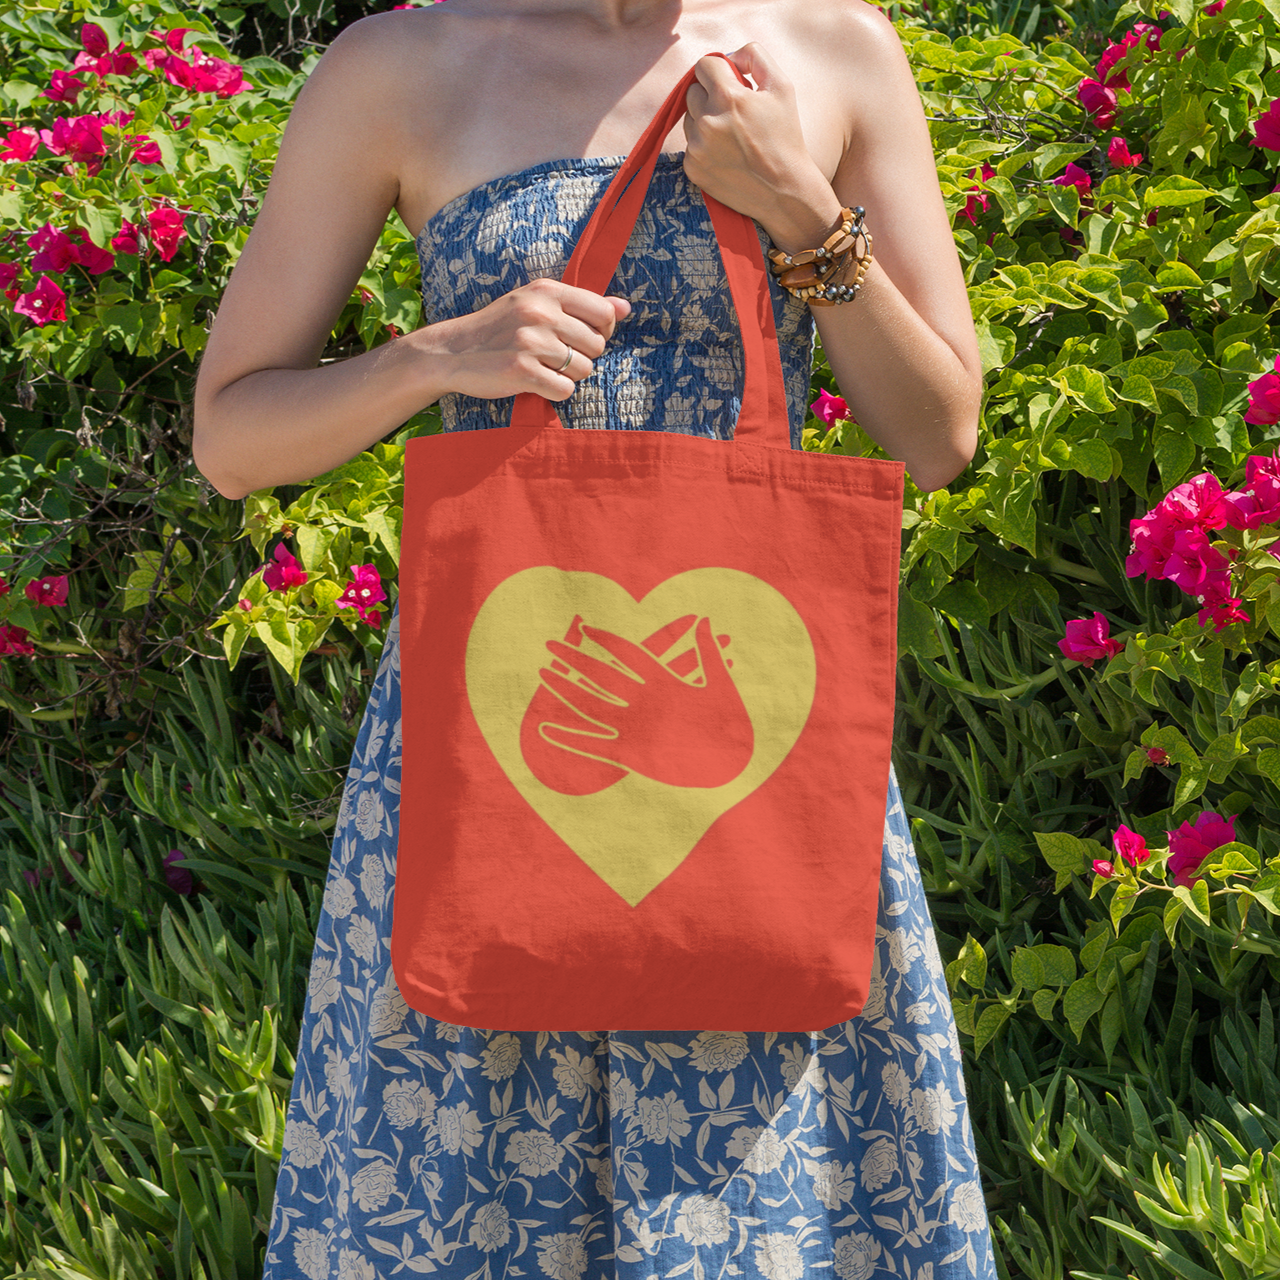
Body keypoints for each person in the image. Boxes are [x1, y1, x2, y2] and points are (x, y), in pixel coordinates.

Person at [193, 1, 995, 1276]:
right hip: (500, 730)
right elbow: (232, 438)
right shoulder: (401, 68)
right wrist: (439, 355)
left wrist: (800, 209)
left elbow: (936, 437)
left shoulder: (835, 50)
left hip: (742, 756)